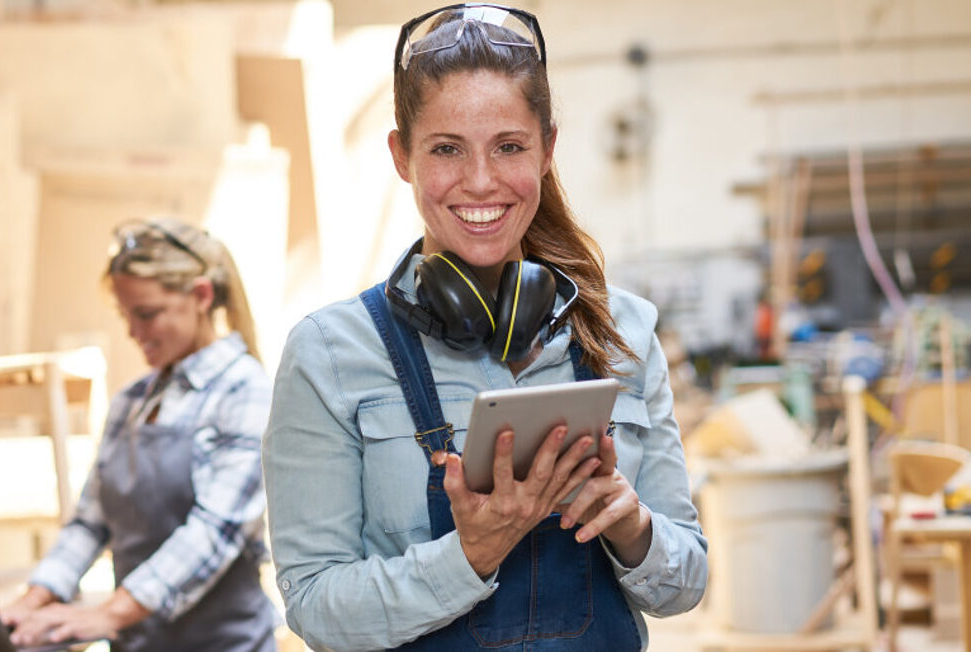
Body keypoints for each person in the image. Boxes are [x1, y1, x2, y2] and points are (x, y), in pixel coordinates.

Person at [262, 4, 707, 650]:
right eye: (446, 149)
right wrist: (467, 557)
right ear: (401, 155)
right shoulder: (328, 354)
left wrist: (633, 527)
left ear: (547, 148)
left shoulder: (621, 332)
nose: (480, 182)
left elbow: (687, 581)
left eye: (509, 147)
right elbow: (313, 607)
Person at [1, 219, 277, 652]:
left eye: (146, 314)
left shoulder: (246, 392)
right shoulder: (132, 400)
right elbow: (90, 522)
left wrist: (106, 614)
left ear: (201, 296)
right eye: (125, 315)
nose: (132, 332)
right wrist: (32, 600)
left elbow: (214, 531)